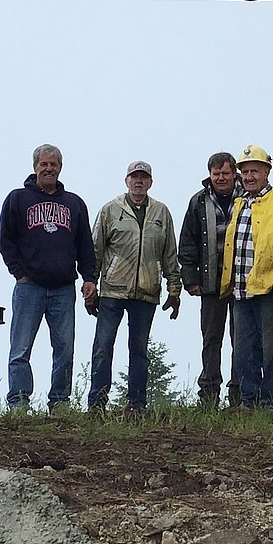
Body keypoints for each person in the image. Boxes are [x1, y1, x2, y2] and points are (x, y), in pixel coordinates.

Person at [0, 143, 97, 412]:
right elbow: (5, 240)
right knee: (20, 349)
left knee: (64, 349)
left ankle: (60, 401)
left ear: (61, 168)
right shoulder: (17, 199)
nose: (49, 168)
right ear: (35, 167)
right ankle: (18, 401)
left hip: (64, 288)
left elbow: (85, 244)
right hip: (29, 287)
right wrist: (19, 273)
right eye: (44, 164)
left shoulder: (74, 203)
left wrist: (89, 277)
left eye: (54, 164)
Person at [88, 160, 182, 413]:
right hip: (112, 291)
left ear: (151, 182)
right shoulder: (110, 210)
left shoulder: (161, 213)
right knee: (103, 347)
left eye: (144, 177)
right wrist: (90, 285)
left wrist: (174, 289)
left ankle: (136, 404)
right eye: (134, 177)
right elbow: (95, 250)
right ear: (126, 180)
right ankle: (97, 403)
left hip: (147, 293)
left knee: (139, 351)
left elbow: (170, 254)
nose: (139, 181)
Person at [220, 145, 273, 410]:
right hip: (241, 290)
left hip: (272, 290)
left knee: (272, 350)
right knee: (244, 349)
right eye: (245, 171)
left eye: (254, 170)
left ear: (267, 172)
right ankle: (248, 400)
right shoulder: (240, 203)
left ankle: (272, 402)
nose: (249, 176)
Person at [178, 151, 241, 408]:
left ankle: (240, 393)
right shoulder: (198, 201)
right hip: (210, 282)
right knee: (211, 338)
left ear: (234, 173)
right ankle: (209, 393)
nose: (221, 178)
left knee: (242, 339)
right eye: (217, 173)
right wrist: (190, 278)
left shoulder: (247, 198)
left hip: (242, 282)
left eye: (226, 173)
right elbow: (188, 242)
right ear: (209, 174)